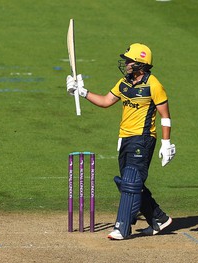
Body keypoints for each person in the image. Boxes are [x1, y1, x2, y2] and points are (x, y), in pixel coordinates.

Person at [66, 43, 176, 240]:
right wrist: (81, 92)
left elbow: (165, 116)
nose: (125, 63)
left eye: (129, 60)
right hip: (124, 139)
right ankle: (158, 218)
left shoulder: (154, 85)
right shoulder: (123, 83)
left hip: (143, 139)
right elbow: (106, 101)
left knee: (130, 182)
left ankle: (122, 227)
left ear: (140, 64)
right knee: (130, 183)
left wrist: (167, 144)